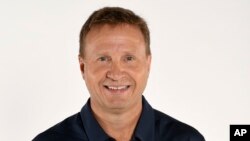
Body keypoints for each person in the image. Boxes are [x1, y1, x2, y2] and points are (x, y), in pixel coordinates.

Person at [33, 7, 205, 141]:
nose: (116, 73)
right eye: (103, 59)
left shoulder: (187, 139)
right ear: (82, 67)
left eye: (129, 58)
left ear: (148, 64)